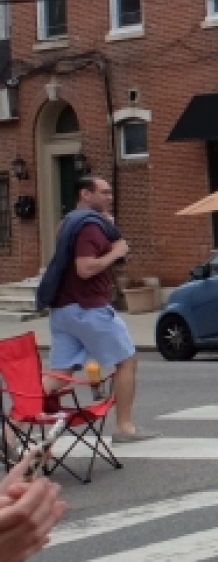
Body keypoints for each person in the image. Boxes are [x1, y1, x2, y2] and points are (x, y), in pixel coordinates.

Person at [35, 177, 145, 443]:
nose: (110, 196)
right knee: (126, 361)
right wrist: (116, 251)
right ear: (86, 194)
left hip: (63, 310)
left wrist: (109, 231)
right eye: (104, 192)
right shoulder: (89, 227)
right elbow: (85, 269)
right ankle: (125, 427)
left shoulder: (68, 223)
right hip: (89, 308)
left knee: (60, 375)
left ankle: (11, 428)